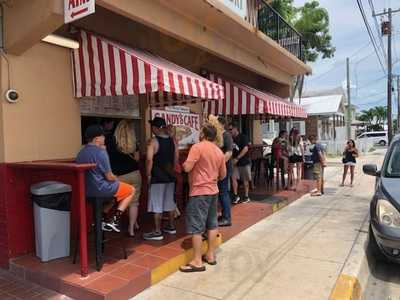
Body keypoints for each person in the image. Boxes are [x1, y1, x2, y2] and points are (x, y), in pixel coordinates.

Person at [180, 123, 226, 273]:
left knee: (196, 227)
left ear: (203, 134)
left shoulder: (197, 147)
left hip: (199, 192)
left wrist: (185, 163)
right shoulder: (219, 151)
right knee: (212, 224)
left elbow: (187, 168)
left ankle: (197, 261)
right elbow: (223, 175)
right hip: (213, 191)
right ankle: (211, 255)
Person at [76, 125, 135, 232]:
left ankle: (100, 218)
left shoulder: (81, 153)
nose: (105, 138)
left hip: (86, 191)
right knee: (131, 190)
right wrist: (117, 179)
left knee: (114, 197)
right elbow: (109, 176)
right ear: (97, 139)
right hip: (101, 189)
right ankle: (115, 221)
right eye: (103, 136)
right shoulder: (101, 152)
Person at [144, 117, 178, 241]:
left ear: (155, 128)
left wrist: (148, 175)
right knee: (170, 202)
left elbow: (149, 160)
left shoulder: (153, 142)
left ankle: (157, 231)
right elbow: (176, 158)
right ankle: (171, 226)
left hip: (157, 177)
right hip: (170, 176)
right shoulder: (173, 140)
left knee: (156, 204)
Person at [106, 120, 142, 237]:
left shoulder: (110, 141)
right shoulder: (134, 142)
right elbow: (137, 158)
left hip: (119, 176)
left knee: (122, 200)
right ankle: (132, 227)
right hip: (134, 174)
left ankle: (114, 220)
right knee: (134, 202)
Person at [229, 122, 251, 204]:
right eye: (229, 129)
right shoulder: (231, 139)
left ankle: (246, 196)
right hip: (234, 162)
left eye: (231, 129)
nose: (230, 131)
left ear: (235, 128)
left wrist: (237, 158)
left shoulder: (243, 137)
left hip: (244, 162)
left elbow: (245, 148)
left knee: (245, 180)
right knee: (234, 178)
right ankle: (235, 196)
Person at [217, 117, 233, 227]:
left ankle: (227, 218)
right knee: (221, 193)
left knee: (223, 192)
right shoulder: (218, 136)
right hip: (219, 169)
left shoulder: (226, 135)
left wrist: (219, 164)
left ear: (222, 124)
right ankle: (224, 215)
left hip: (224, 168)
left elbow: (229, 152)